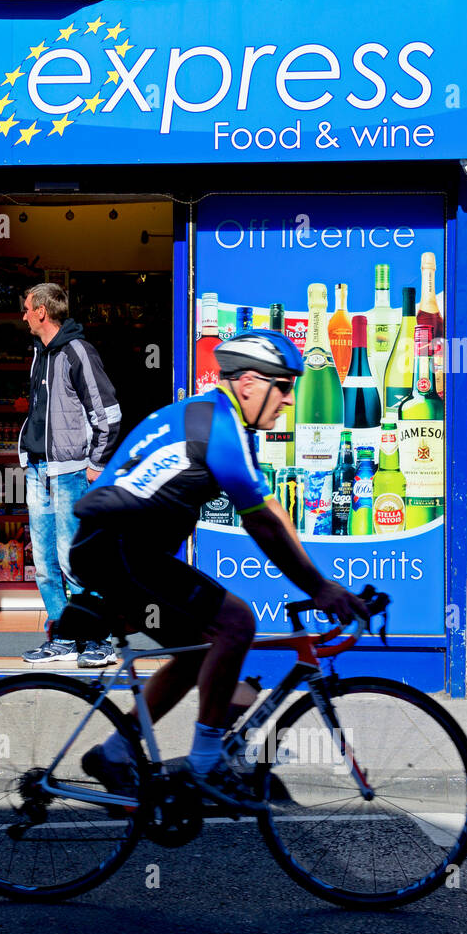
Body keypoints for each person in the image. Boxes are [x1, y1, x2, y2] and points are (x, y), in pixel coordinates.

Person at [66, 329, 368, 800]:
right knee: (236, 622)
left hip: (119, 547)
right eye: (284, 387)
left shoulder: (219, 421)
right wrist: (321, 589)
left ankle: (115, 753)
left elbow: (273, 513)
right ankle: (206, 764)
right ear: (249, 382)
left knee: (197, 652)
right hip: (116, 546)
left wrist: (323, 583)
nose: (289, 400)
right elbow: (263, 529)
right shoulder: (220, 430)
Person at [16, 283, 121, 667]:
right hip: (39, 471)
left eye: (27, 308)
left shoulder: (78, 351)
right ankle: (64, 637)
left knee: (74, 561)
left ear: (42, 311)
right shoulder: (39, 353)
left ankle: (99, 640)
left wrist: (95, 463)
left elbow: (109, 414)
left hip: (71, 473)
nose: (24, 315)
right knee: (44, 565)